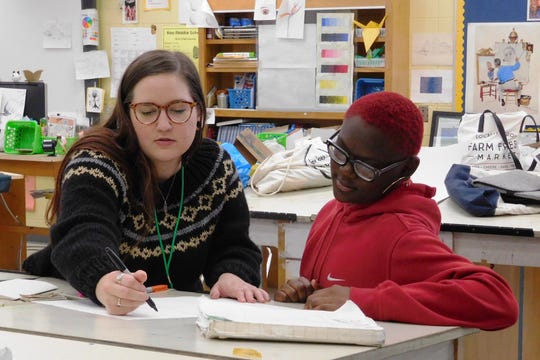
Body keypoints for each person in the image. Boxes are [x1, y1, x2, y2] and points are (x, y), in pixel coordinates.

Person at [23, 49, 269, 315]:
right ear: (128, 115)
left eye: (178, 110)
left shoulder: (216, 167)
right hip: (70, 304)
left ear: (199, 113)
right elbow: (81, 235)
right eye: (148, 111)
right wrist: (105, 281)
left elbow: (233, 245)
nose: (163, 124)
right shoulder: (96, 163)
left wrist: (231, 275)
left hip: (172, 315)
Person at [274, 91, 518, 331]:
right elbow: (333, 296)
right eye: (340, 152)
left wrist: (365, 301)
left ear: (405, 170)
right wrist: (307, 293)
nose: (345, 170)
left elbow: (497, 299)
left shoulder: (402, 235)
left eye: (365, 167)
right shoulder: (332, 211)